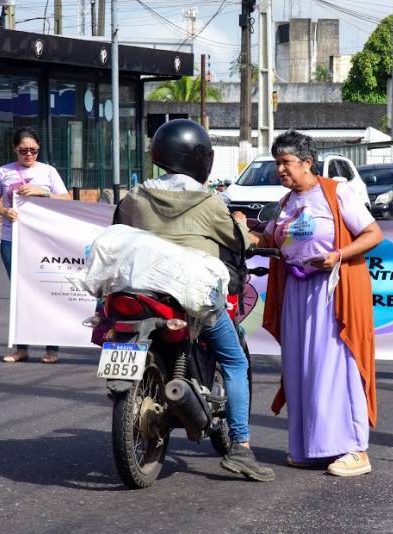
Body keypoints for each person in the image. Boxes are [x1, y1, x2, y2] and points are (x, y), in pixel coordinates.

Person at [113, 119, 274, 482]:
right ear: (201, 158)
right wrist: (240, 225)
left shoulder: (134, 197)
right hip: (192, 295)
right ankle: (241, 447)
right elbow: (238, 241)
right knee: (235, 360)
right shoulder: (207, 200)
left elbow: (118, 229)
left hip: (140, 292)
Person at [258, 130, 383, 477]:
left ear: (308, 163)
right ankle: (313, 448)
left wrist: (339, 255)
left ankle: (356, 449)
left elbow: (373, 234)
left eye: (286, 163)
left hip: (333, 291)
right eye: (277, 163)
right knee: (302, 368)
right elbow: (269, 237)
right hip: (296, 293)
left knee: (336, 366)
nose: (280, 170)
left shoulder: (336, 192)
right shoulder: (286, 203)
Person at [0, 127, 70, 364]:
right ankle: (21, 348)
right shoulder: (4, 172)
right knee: (20, 293)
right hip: (12, 239)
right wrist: (3, 210)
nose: (29, 155)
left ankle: (52, 348)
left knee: (46, 290)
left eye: (33, 150)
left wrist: (42, 192)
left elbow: (67, 199)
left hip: (42, 240)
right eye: (24, 151)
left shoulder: (48, 172)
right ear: (15, 149)